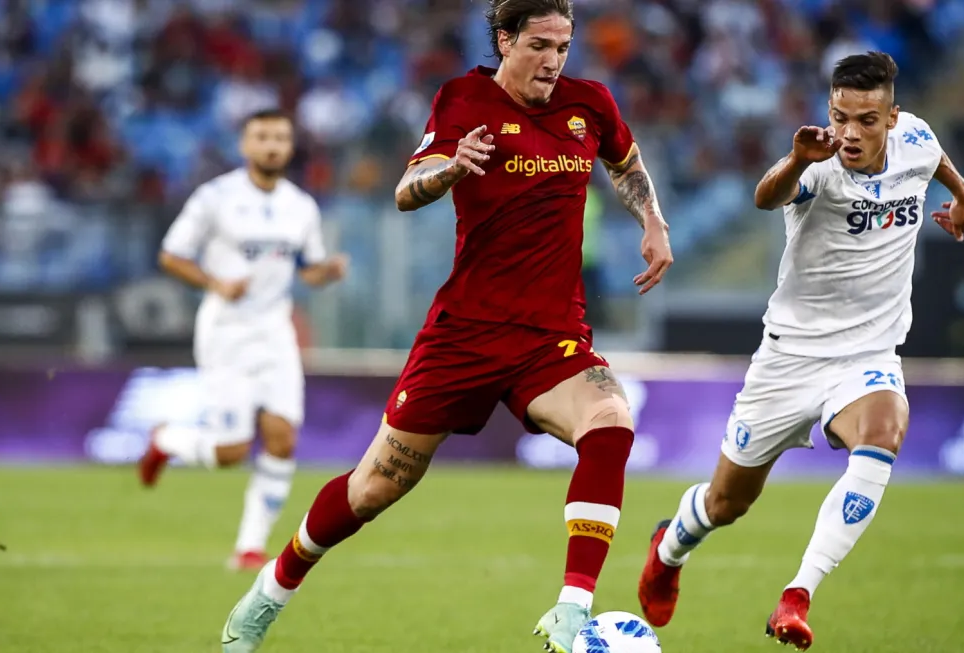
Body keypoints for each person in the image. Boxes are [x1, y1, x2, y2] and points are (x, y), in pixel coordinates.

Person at [218, 1, 674, 652]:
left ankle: (572, 609)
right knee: (373, 487)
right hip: (464, 333)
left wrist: (651, 221)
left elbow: (624, 164)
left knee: (610, 422)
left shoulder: (589, 103)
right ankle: (274, 583)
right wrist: (453, 169)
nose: (552, 60)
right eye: (539, 45)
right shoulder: (462, 99)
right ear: (504, 39)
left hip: (551, 334)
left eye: (563, 47)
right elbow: (406, 190)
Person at [636, 51, 964, 651]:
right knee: (725, 502)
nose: (850, 132)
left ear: (892, 119)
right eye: (840, 116)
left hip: (868, 351)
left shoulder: (917, 137)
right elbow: (765, 199)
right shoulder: (817, 166)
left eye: (867, 120)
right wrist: (797, 156)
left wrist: (963, 194)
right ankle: (667, 551)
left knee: (885, 430)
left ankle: (797, 596)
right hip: (789, 358)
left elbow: (937, 159)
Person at [138, 109, 349, 571]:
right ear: (245, 145)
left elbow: (307, 270)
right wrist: (215, 282)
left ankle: (249, 548)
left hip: (275, 331)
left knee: (282, 439)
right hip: (226, 331)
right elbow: (172, 256)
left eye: (280, 137)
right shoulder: (215, 198)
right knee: (231, 451)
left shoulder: (301, 206)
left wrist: (327, 271)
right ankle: (167, 440)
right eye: (262, 137)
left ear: (290, 147)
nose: (272, 145)